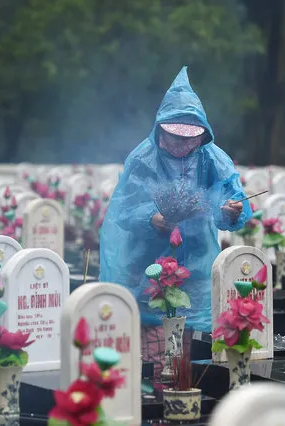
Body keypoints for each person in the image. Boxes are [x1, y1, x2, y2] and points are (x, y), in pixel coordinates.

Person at [99, 66, 251, 341]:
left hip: (198, 269)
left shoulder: (213, 159)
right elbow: (123, 209)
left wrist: (231, 210)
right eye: (175, 136)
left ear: (202, 134)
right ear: (161, 130)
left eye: (189, 137)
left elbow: (230, 202)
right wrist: (150, 218)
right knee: (151, 348)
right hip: (147, 267)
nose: (182, 143)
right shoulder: (142, 159)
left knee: (195, 349)